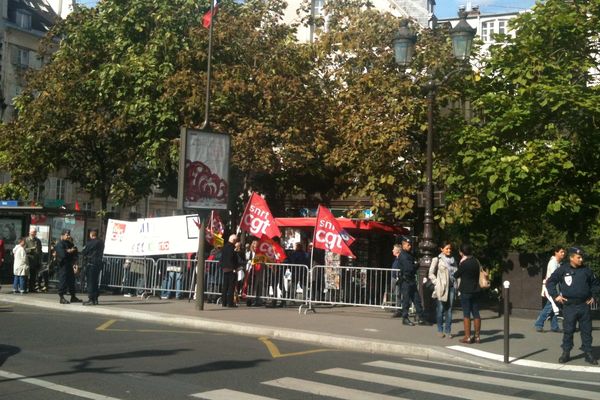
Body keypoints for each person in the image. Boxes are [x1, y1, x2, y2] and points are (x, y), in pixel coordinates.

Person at [546, 247, 600, 365]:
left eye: (582, 257)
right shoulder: (563, 269)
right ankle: (566, 352)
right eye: (578, 257)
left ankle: (588, 353)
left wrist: (594, 296)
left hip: (584, 305)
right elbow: (550, 282)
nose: (581, 259)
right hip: (569, 306)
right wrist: (555, 296)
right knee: (568, 330)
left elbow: (596, 284)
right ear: (571, 258)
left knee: (586, 331)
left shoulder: (586, 270)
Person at [453, 243, 482, 344]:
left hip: (466, 290)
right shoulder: (475, 261)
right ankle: (477, 336)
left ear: (462, 252)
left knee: (466, 313)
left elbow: (456, 275)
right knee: (476, 312)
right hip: (476, 289)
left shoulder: (464, 263)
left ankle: (467, 336)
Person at [428, 241, 458, 338]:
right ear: (442, 249)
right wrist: (437, 283)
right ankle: (440, 330)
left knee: (449, 310)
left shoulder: (453, 260)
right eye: (447, 248)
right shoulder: (437, 259)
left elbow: (457, 274)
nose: (449, 250)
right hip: (441, 288)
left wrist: (458, 286)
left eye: (450, 248)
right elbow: (431, 273)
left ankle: (448, 331)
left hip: (452, 287)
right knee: (440, 309)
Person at [534, 246, 565, 333]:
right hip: (551, 288)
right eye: (561, 252)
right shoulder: (553, 263)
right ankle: (539, 324)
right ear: (556, 252)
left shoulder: (558, 263)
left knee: (555, 307)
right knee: (550, 306)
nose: (563, 254)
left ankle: (554, 326)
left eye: (563, 252)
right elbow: (555, 277)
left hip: (555, 287)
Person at [397, 236, 425, 326]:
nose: (410, 246)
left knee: (417, 299)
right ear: (404, 245)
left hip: (411, 280)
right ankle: (405, 318)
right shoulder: (403, 255)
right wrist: (417, 264)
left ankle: (420, 317)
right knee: (406, 300)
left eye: (410, 245)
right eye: (408, 245)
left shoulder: (408, 254)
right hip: (406, 281)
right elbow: (409, 268)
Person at [54, 229, 81, 304]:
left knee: (71, 281)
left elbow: (75, 253)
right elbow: (62, 254)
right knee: (63, 280)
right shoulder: (60, 244)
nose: (68, 236)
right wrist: (69, 251)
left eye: (69, 235)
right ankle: (61, 297)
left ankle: (73, 296)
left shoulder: (69, 243)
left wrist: (75, 262)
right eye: (67, 235)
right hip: (63, 265)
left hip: (70, 264)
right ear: (62, 235)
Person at [81, 229, 104, 305]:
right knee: (95, 282)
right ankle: (95, 299)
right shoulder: (101, 242)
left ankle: (91, 298)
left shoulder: (90, 243)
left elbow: (84, 251)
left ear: (91, 235)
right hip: (98, 264)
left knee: (90, 282)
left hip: (91, 263)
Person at [219, 234, 239, 308]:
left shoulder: (224, 246)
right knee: (231, 286)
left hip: (225, 268)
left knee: (225, 286)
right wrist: (235, 267)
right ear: (234, 240)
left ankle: (224, 302)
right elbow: (232, 258)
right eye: (236, 240)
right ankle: (230, 303)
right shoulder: (232, 247)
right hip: (231, 268)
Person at [25, 227, 43, 292]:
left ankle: (31, 288)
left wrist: (40, 260)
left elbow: (40, 251)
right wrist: (30, 249)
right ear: (29, 232)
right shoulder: (26, 240)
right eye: (32, 232)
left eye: (35, 232)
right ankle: (24, 287)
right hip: (28, 260)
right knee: (26, 275)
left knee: (33, 275)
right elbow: (23, 250)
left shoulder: (38, 241)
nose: (33, 233)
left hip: (35, 261)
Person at [390, 243, 402, 318]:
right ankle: (397, 308)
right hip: (394, 277)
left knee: (398, 294)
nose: (392, 250)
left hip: (397, 278)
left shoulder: (400, 259)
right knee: (396, 293)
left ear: (398, 251)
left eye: (394, 249)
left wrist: (398, 277)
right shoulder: (396, 258)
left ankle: (398, 310)